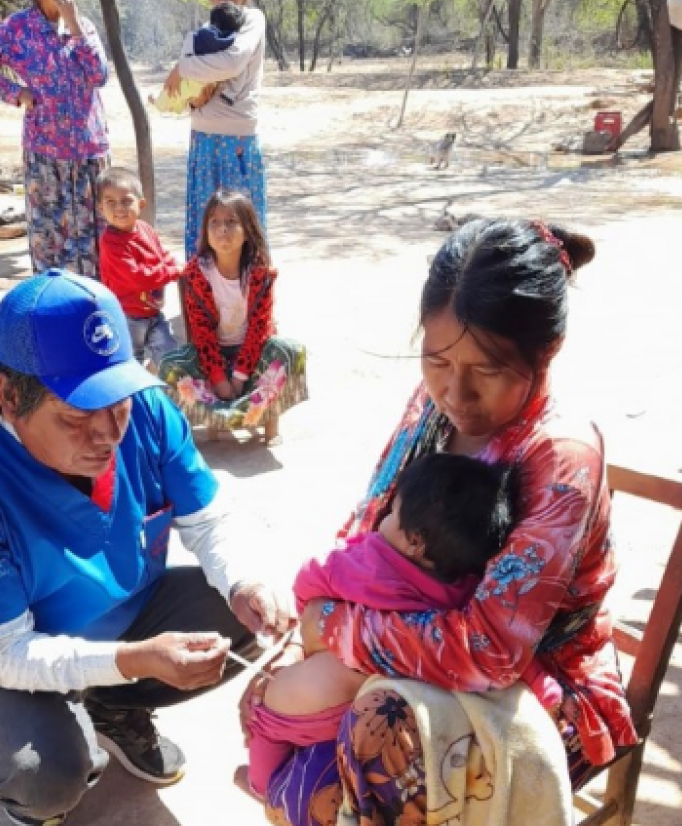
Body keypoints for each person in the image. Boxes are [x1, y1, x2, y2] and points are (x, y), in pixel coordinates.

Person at [240, 218, 639, 826]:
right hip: (411, 648)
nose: (455, 391)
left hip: (543, 686)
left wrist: (335, 626)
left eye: (489, 369)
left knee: (372, 751)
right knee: (270, 700)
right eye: (436, 359)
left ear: (546, 351)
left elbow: (491, 651)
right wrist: (312, 626)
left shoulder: (560, 457)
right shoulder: (433, 408)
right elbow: (370, 525)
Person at [0, 269, 292, 826]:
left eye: (117, 404)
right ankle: (41, 744)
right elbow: (1, 650)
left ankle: (111, 706)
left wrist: (243, 580)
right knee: (43, 777)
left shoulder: (146, 409)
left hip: (121, 615)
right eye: (77, 416)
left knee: (240, 610)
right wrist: (132, 660)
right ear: (9, 396)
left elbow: (208, 519)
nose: (108, 434)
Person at [243, 453, 564, 800]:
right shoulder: (469, 593)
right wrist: (547, 691)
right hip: (385, 718)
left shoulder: (368, 560)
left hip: (315, 704)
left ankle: (261, 786)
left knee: (264, 722)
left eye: (392, 511)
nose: (383, 518)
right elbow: (512, 658)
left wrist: (308, 617)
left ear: (415, 541)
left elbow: (310, 578)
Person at [0, 0, 110, 277]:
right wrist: (15, 92)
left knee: (96, 234)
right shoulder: (18, 28)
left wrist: (73, 27)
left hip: (89, 148)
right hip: (46, 150)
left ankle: (95, 309)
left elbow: (99, 75)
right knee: (51, 237)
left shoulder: (82, 26)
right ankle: (53, 310)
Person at [157, 190, 307, 442]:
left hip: (252, 355)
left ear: (247, 230)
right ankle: (219, 413)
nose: (221, 230)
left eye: (231, 222)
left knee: (290, 351)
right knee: (169, 365)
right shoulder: (196, 273)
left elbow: (259, 330)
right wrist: (218, 380)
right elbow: (202, 336)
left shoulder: (261, 273)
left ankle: (255, 417)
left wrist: (238, 379)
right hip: (211, 357)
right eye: (214, 222)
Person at [161, 0, 268, 259]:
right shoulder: (205, 29)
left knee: (241, 229)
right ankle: (203, 299)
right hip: (202, 137)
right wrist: (186, 71)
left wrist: (183, 68)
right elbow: (188, 82)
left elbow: (233, 61)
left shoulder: (252, 19)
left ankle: (247, 299)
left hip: (237, 140)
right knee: (205, 226)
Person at [97, 167, 181, 369]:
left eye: (126, 201)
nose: (119, 208)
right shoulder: (111, 243)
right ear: (101, 208)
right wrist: (173, 271)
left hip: (152, 311)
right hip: (126, 315)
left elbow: (162, 255)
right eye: (111, 202)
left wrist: (174, 264)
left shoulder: (146, 230)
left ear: (140, 204)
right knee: (129, 361)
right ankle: (132, 396)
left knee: (169, 354)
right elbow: (138, 277)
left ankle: (152, 377)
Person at [151, 1, 248, 114]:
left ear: (213, 20)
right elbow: (239, 70)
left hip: (192, 77)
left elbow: (186, 53)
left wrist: (182, 66)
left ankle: (159, 104)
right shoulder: (234, 41)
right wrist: (230, 94)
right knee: (184, 94)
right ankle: (174, 106)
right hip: (210, 84)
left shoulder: (199, 35)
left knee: (172, 91)